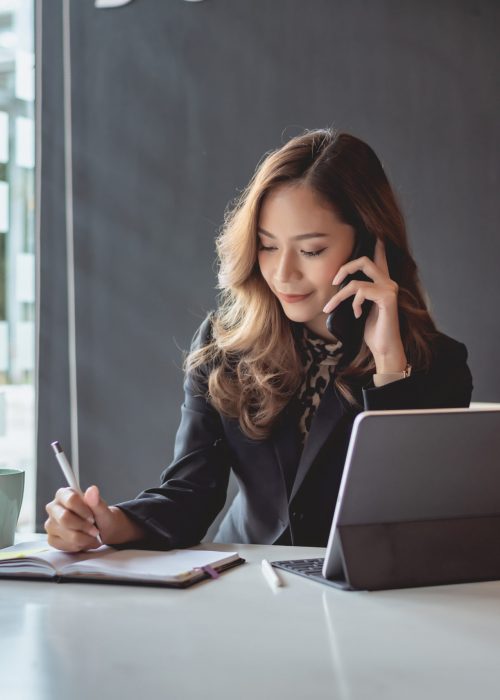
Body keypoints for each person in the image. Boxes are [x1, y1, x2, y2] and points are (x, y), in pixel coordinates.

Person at [45, 128, 473, 552]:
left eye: (310, 251)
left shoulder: (439, 364)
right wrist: (109, 523)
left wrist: (388, 365)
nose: (283, 274)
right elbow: (190, 493)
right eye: (268, 246)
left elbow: (406, 519)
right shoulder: (224, 345)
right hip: (245, 587)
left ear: (368, 245)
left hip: (361, 601)